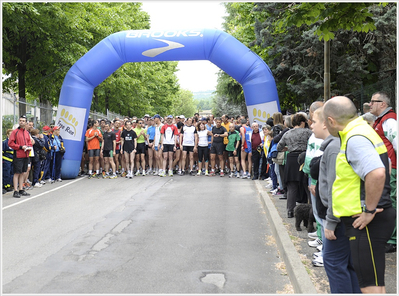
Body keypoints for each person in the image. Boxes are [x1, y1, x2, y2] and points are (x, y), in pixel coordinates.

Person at [324, 96, 395, 293]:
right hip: (371, 219)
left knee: (369, 287)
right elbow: (386, 165)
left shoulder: (355, 138)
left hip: (365, 221)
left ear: (331, 121)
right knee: (375, 284)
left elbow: (377, 172)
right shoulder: (364, 130)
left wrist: (369, 210)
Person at [310, 107, 361, 293]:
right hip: (345, 215)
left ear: (326, 123)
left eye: (314, 122)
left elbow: (334, 188)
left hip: (338, 219)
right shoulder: (337, 143)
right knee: (348, 265)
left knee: (334, 264)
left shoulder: (332, 148)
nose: (311, 126)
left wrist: (330, 221)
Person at [369, 91, 397, 253]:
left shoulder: (389, 121)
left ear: (383, 104)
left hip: (391, 170)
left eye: (374, 101)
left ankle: (393, 239)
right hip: (385, 169)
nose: (370, 104)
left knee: (391, 203)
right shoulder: (382, 120)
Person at [277, 113, 312, 218]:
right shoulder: (308, 132)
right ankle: (311, 210)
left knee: (292, 186)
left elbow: (279, 147)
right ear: (302, 123)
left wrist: (288, 148)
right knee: (308, 185)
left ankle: (290, 211)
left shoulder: (288, 133)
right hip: (304, 158)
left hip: (291, 159)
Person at [8, 115, 33, 198]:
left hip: (26, 155)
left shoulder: (26, 132)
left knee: (23, 172)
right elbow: (10, 143)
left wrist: (29, 146)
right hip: (18, 155)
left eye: (23, 121)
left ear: (26, 122)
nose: (21, 122)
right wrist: (20, 147)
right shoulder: (15, 132)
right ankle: (15, 190)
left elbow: (29, 142)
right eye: (20, 120)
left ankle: (21, 189)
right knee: (17, 172)